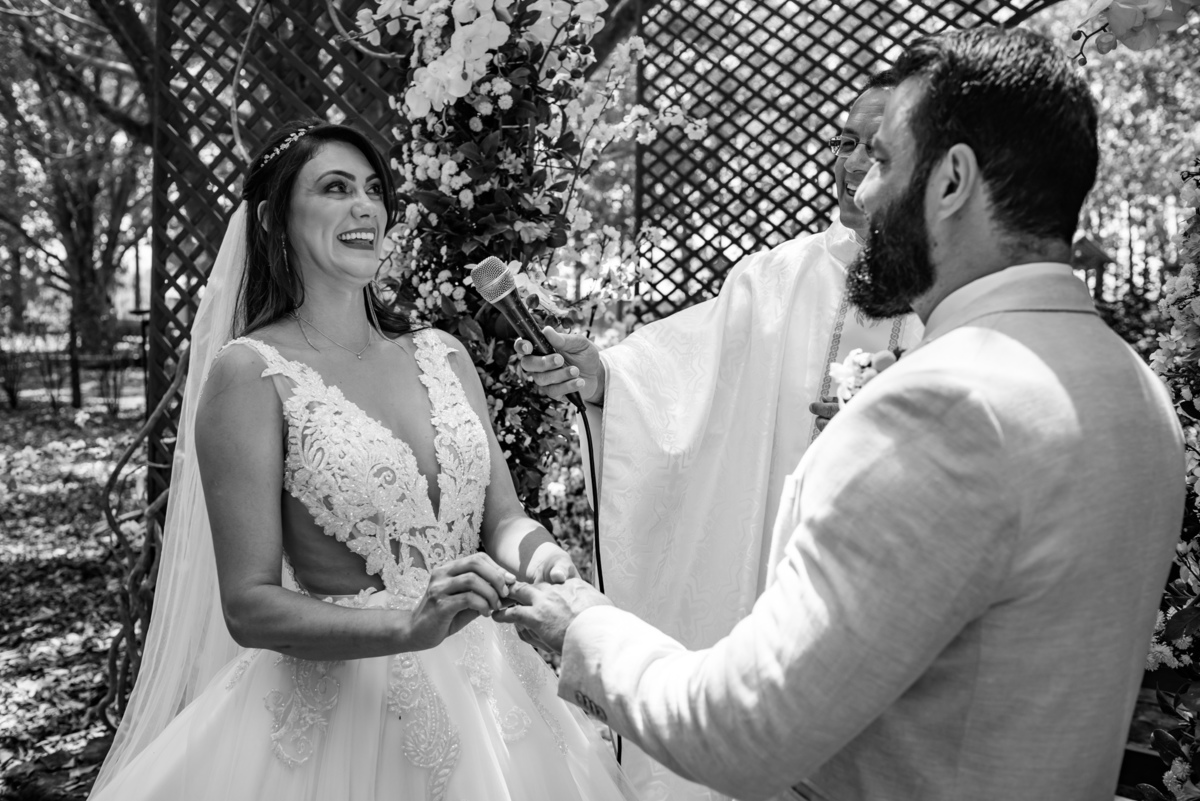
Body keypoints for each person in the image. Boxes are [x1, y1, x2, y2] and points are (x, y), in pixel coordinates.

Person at [498, 27, 1185, 800]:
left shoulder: (943, 407)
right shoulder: (1134, 390)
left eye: (885, 160)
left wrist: (581, 625)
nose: (860, 192)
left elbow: (745, 730)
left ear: (952, 181)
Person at [89, 121, 635, 801]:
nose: (365, 207)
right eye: (335, 188)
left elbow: (502, 518)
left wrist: (546, 561)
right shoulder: (251, 374)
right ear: (274, 219)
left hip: (500, 698)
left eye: (374, 190)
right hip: (346, 719)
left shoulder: (443, 354)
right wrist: (409, 626)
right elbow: (248, 605)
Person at [519, 71, 922, 801]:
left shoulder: (949, 298)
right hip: (769, 586)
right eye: (843, 142)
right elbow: (683, 379)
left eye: (876, 147)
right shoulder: (777, 278)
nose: (852, 164)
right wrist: (604, 375)